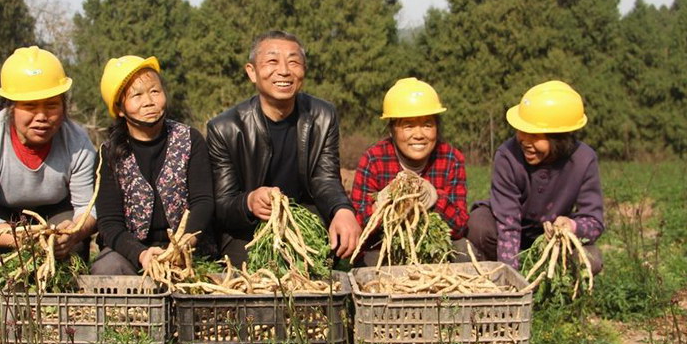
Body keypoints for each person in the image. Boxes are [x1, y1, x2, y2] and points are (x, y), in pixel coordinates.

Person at [206, 30, 361, 265]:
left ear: (303, 71)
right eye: (272, 61)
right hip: (247, 230)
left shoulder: (323, 116)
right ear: (252, 72)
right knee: (251, 280)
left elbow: (325, 178)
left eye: (293, 62)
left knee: (319, 272)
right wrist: (249, 201)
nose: (284, 71)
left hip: (302, 220)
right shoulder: (224, 128)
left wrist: (342, 209)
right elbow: (223, 203)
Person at [0, 46, 98, 298]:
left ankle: (63, 306)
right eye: (30, 106)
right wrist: (12, 237)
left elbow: (88, 206)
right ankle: (1, 312)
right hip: (2, 215)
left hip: (55, 213)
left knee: (75, 241)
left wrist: (74, 231)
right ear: (11, 106)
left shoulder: (77, 141)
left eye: (52, 105)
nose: (42, 116)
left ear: (64, 106)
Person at [91, 55, 215, 275]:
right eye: (136, 95)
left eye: (155, 91)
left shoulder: (190, 140)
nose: (148, 101)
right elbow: (109, 224)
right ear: (119, 108)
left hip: (187, 248)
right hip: (132, 251)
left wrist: (182, 245)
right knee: (108, 268)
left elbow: (203, 202)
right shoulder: (108, 154)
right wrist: (141, 254)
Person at [467, 80, 604, 273]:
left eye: (535, 135)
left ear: (560, 138)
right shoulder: (508, 156)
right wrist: (511, 278)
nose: (524, 140)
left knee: (591, 259)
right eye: (522, 131)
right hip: (506, 230)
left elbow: (594, 222)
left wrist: (571, 226)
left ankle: (557, 287)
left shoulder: (583, 160)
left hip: (553, 240)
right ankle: (496, 272)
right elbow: (508, 223)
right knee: (478, 225)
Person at [350, 78, 469, 264]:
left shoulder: (451, 159)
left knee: (464, 252)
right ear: (392, 130)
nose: (419, 134)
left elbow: (460, 226)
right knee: (372, 262)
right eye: (408, 126)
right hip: (385, 247)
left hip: (436, 249)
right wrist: (380, 205)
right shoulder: (374, 160)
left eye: (427, 125)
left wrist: (435, 199)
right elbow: (358, 227)